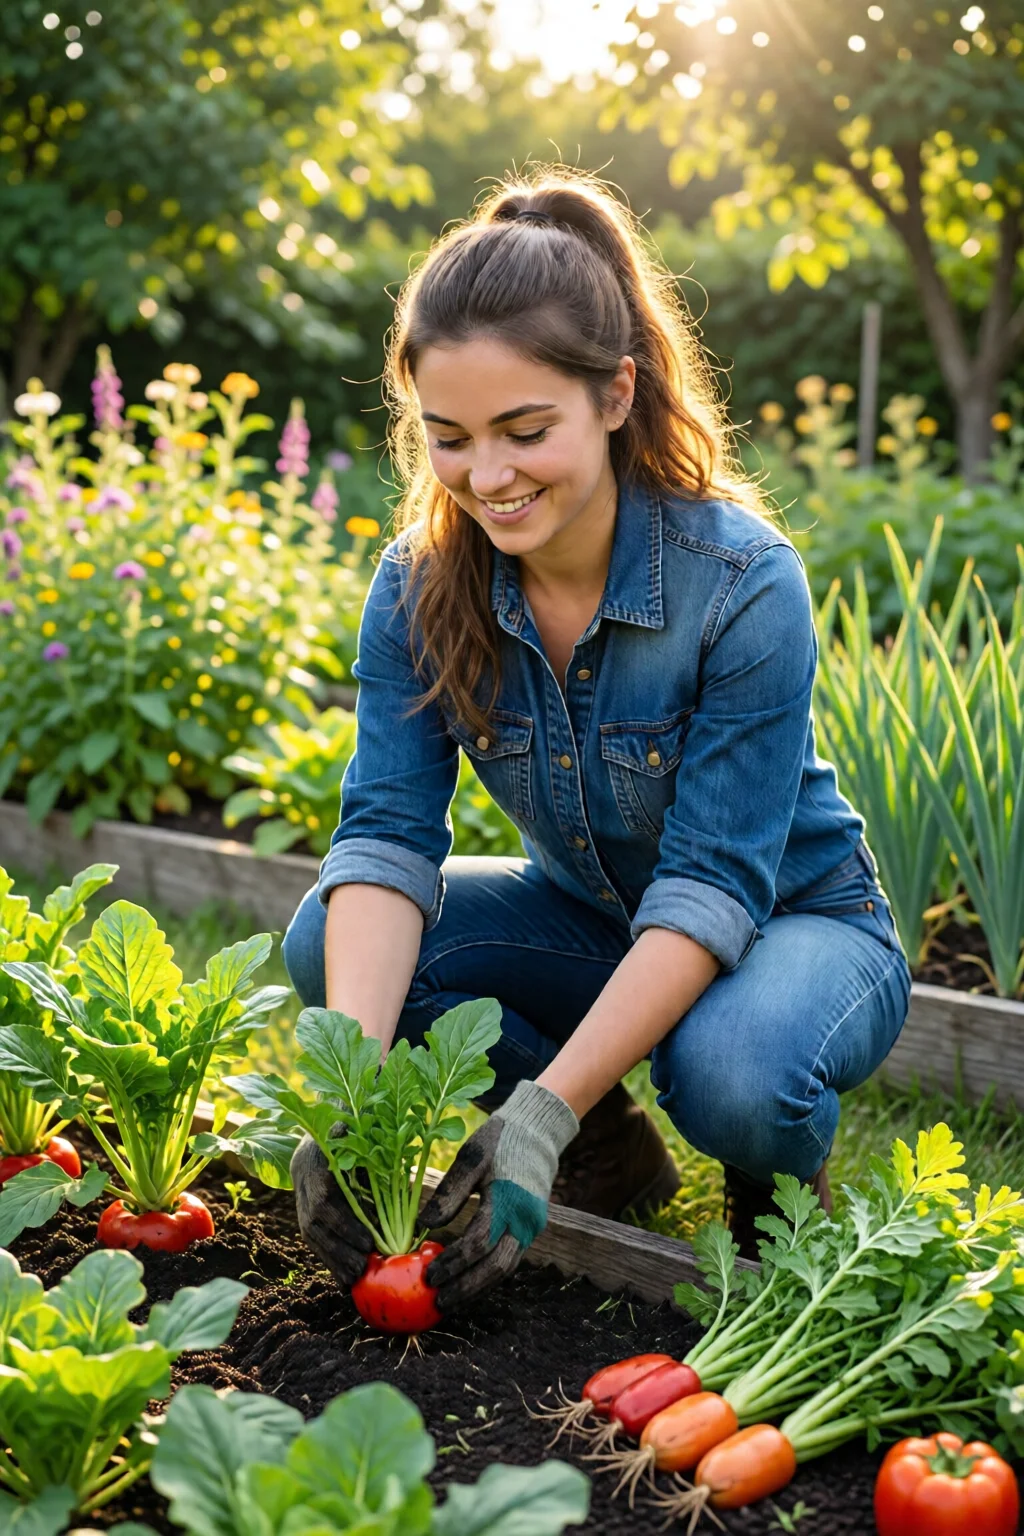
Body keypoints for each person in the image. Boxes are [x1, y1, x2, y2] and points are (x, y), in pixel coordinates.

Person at [283, 169, 913, 1310]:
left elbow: (714, 886)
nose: (487, 478)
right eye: (451, 439)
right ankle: (607, 1147)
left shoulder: (739, 583)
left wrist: (538, 1101)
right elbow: (383, 837)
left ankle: (769, 1178)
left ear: (615, 395)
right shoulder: (420, 589)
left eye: (525, 431)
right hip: (594, 921)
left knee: (732, 1073)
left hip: (796, 928)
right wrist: (344, 1100)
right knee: (327, 940)